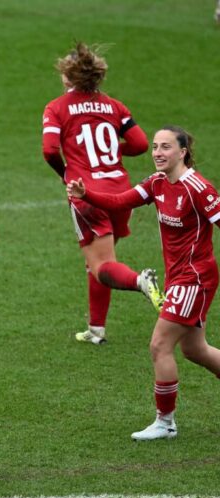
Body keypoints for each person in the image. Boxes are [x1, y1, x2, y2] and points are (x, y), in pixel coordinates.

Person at [67, 126, 220, 441]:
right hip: (178, 277)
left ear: (183, 152)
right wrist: (86, 194)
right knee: (195, 350)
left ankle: (166, 423)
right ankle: (166, 422)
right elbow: (120, 201)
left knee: (159, 345)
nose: (158, 153)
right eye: (155, 147)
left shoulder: (198, 188)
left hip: (195, 278)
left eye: (166, 147)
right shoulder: (157, 182)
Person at [42, 42, 161, 345]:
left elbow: (50, 149)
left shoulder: (57, 107)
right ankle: (96, 330)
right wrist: (113, 152)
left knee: (101, 265)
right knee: (99, 262)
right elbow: (140, 144)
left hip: (87, 195)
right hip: (122, 193)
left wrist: (66, 172)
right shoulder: (114, 106)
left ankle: (140, 281)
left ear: (68, 76)